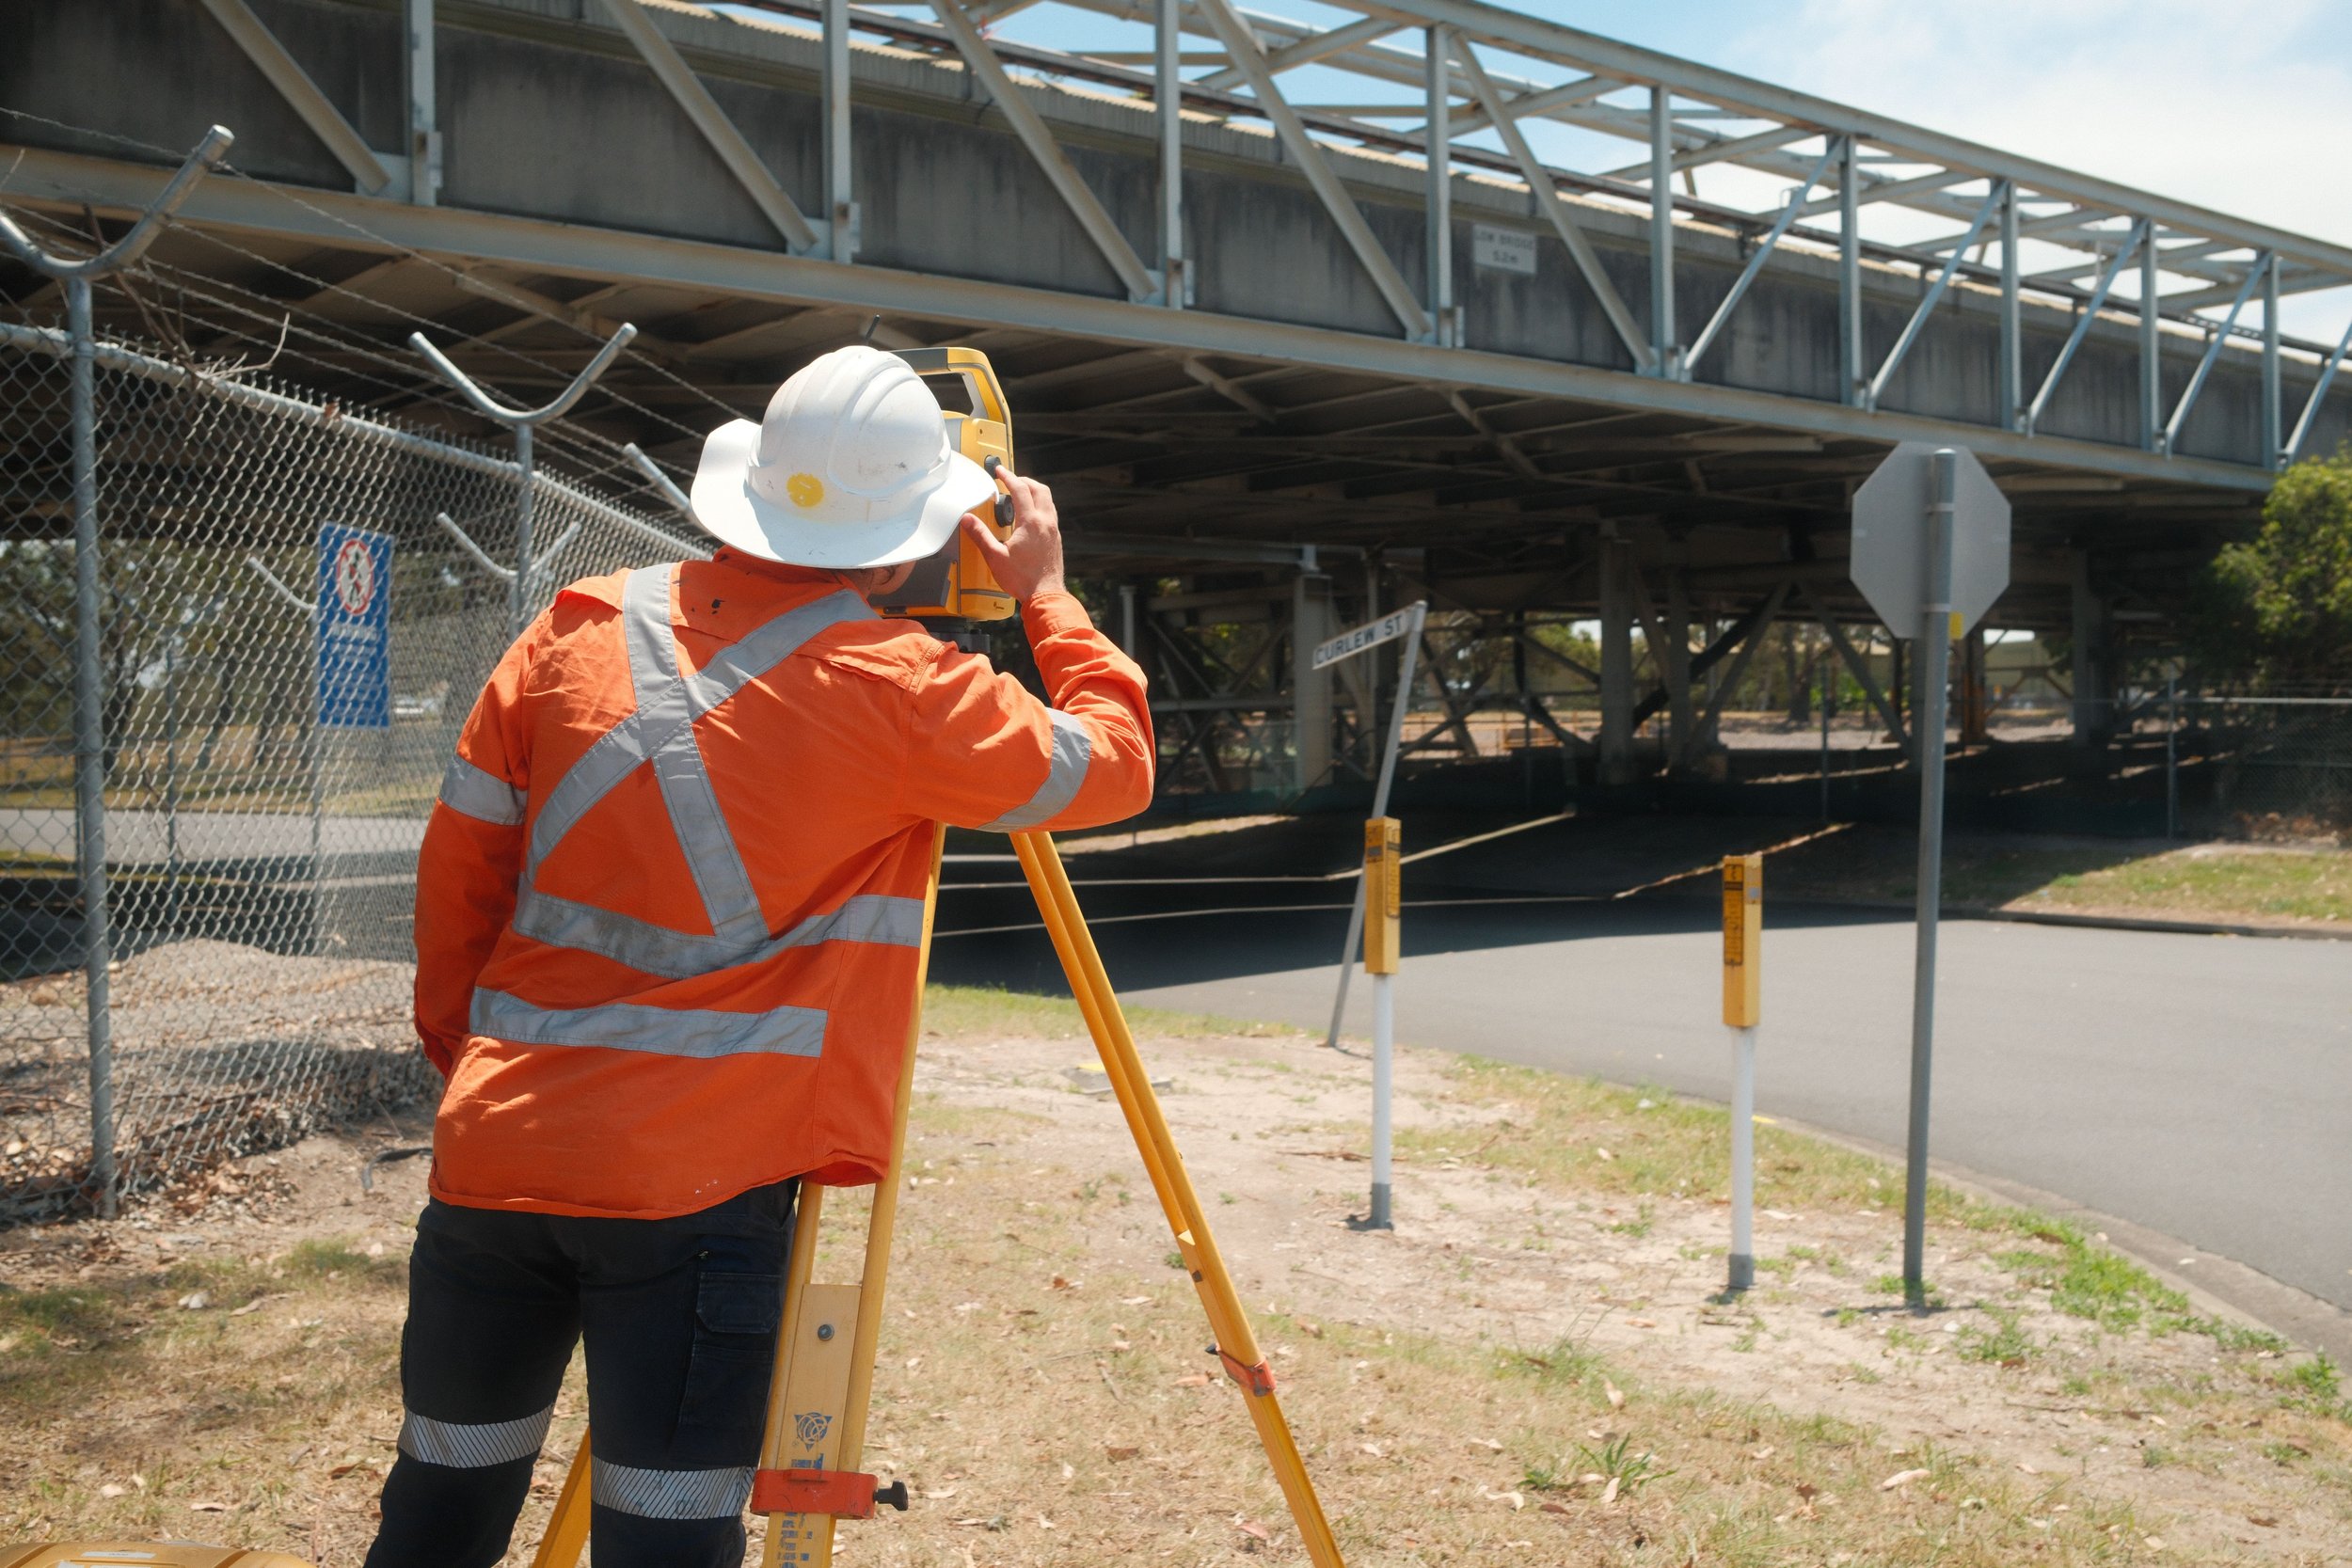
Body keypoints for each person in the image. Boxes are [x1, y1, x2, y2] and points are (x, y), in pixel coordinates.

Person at [365, 345, 1154, 1568]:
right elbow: (1115, 765)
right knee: (666, 1535)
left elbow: (458, 876)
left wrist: (477, 1066)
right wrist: (1046, 595)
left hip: (498, 1152)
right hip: (700, 1184)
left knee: (438, 1512)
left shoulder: (575, 626)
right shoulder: (903, 689)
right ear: (905, 540)